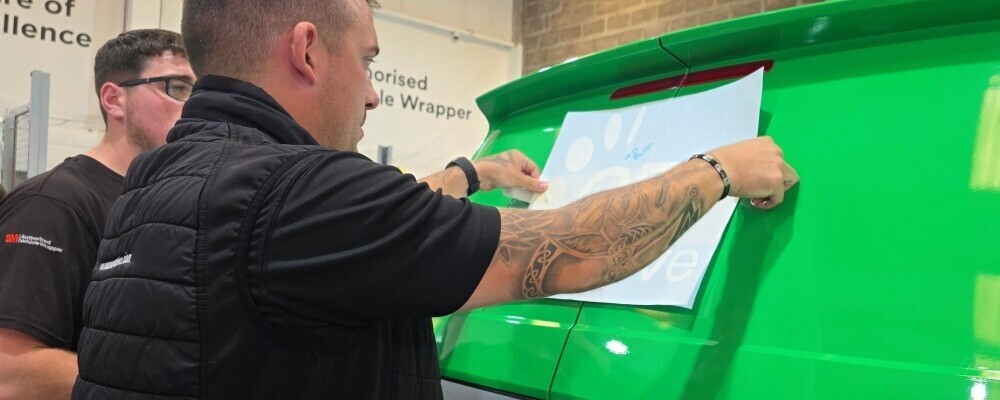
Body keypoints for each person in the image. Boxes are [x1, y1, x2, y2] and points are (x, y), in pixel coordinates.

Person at [73, 0, 799, 398]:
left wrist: (469, 174)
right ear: (305, 50)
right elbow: (575, 250)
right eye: (367, 60)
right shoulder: (295, 192)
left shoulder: (161, 181)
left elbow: (366, 227)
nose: (373, 90)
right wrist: (718, 168)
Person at [0, 29, 194, 400]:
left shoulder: (160, 201)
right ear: (114, 99)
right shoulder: (52, 204)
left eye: (197, 93)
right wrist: (160, 373)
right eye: (176, 88)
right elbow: (8, 372)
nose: (193, 106)